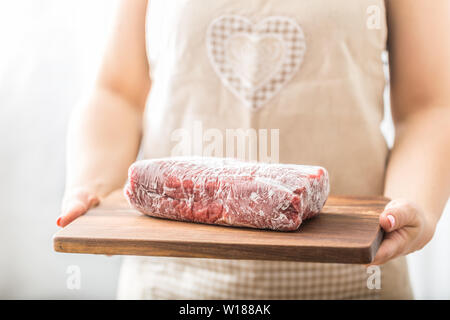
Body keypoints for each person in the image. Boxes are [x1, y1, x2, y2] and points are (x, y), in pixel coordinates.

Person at [57, 0, 450, 299]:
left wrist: (414, 204)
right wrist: (92, 185)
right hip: (172, 278)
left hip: (354, 277)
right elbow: (117, 92)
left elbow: (428, 106)